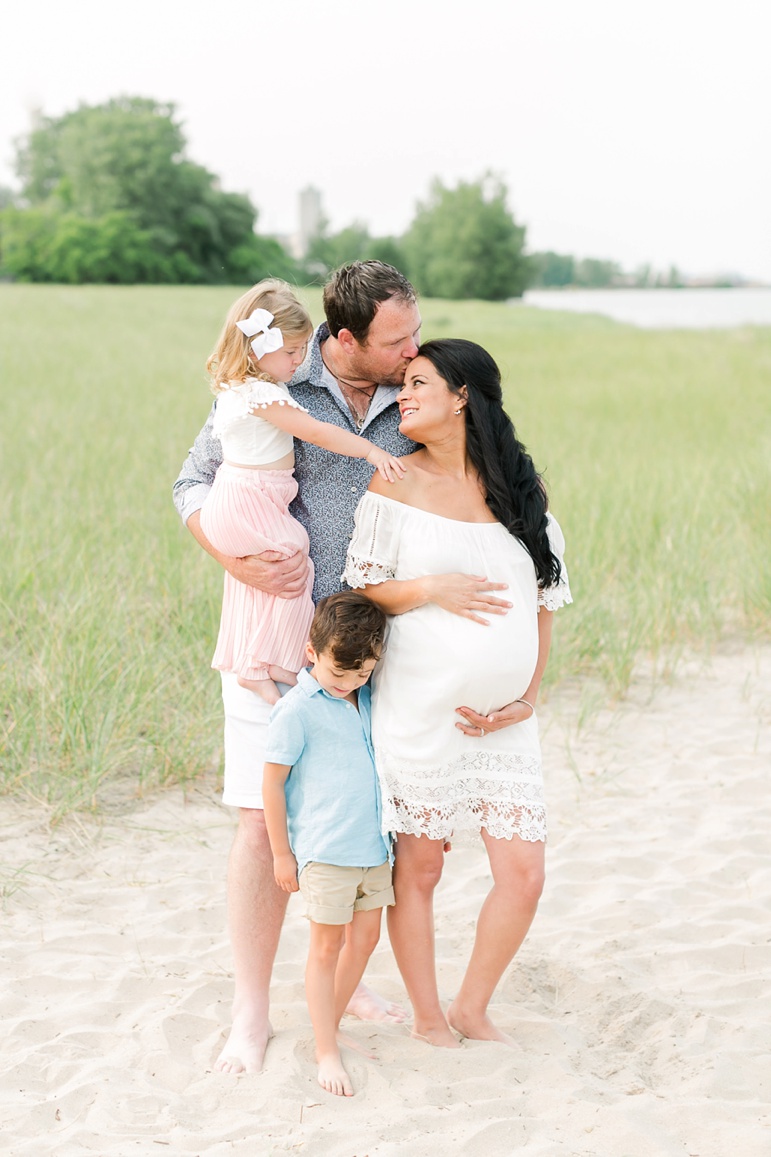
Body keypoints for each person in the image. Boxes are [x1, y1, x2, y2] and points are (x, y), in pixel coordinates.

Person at [174, 262, 462, 1074]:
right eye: (395, 339)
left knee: (363, 818)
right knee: (259, 820)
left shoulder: (415, 390)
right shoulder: (274, 379)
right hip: (274, 632)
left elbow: (464, 470)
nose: (412, 348)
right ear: (343, 341)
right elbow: (193, 480)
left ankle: (347, 979)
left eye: (414, 332)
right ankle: (252, 1010)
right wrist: (232, 558)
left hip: (380, 647)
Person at [343, 338, 572, 1048]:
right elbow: (362, 588)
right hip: (419, 708)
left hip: (504, 722)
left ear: (462, 394)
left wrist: (525, 698)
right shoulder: (394, 482)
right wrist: (431, 587)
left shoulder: (518, 491)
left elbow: (544, 600)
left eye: (417, 382)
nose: (402, 395)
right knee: (422, 866)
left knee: (523, 874)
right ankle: (429, 1014)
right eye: (401, 384)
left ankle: (473, 1005)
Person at [198, 279, 404, 705]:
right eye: (292, 352)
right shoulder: (264, 392)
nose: (299, 359)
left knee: (274, 572)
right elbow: (312, 431)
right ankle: (273, 661)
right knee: (295, 560)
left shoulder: (240, 389)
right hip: (247, 497)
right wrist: (369, 450)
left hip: (243, 501)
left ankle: (253, 661)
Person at [263, 592, 393, 1098]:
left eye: (361, 675)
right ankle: (324, 1049)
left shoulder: (365, 697)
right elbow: (272, 784)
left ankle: (331, 1027)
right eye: (340, 676)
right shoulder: (296, 710)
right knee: (326, 948)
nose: (348, 685)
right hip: (326, 850)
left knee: (365, 942)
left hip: (374, 849)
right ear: (311, 651)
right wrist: (281, 853)